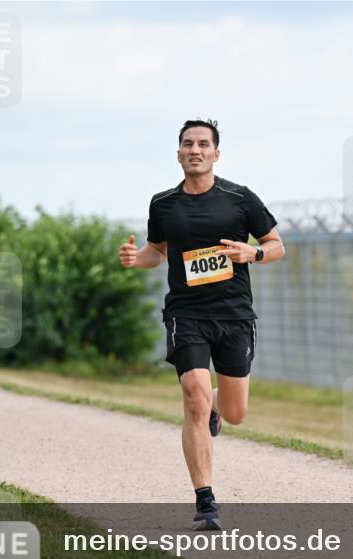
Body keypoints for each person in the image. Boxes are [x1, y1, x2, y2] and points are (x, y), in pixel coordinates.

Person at [118, 119, 285, 530]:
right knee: (193, 395)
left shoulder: (240, 199)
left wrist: (253, 255)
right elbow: (157, 251)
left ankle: (217, 404)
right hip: (185, 314)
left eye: (203, 144)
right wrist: (135, 259)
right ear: (178, 153)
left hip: (234, 316)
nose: (195, 150)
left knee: (236, 411)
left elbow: (276, 245)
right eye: (188, 144)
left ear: (215, 154)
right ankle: (206, 503)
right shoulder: (163, 204)